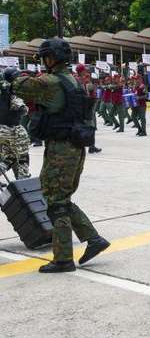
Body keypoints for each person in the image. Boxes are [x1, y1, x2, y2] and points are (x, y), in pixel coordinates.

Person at [5, 38, 110, 272]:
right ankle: (93, 239)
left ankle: (63, 258)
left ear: (51, 58)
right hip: (73, 147)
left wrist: (13, 74)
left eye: (45, 57)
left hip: (61, 148)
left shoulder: (52, 81)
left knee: (55, 203)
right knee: (60, 198)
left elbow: (23, 86)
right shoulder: (71, 80)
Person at [0, 67, 31, 182]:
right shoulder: (13, 91)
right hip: (12, 130)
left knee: (8, 157)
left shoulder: (2, 90)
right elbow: (22, 109)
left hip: (2, 130)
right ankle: (23, 180)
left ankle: (22, 179)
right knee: (20, 157)